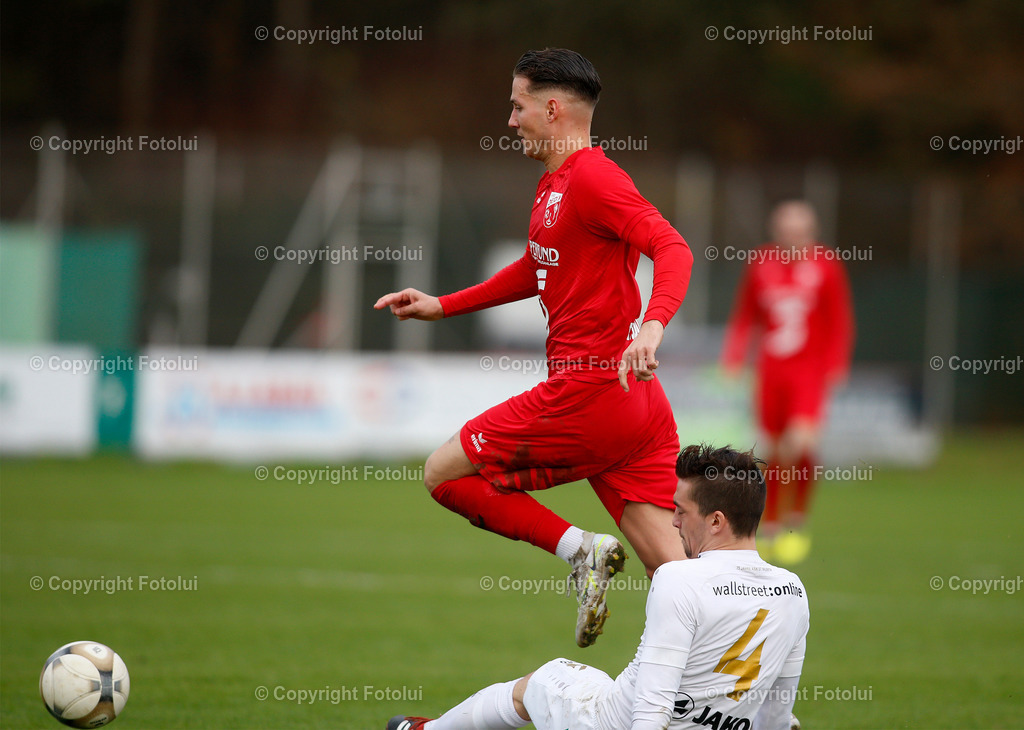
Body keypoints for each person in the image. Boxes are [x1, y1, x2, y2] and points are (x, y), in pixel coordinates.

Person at [375, 48, 693, 647]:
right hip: (635, 405)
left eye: (517, 106)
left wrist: (652, 327)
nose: (510, 120)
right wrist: (444, 304)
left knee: (442, 474)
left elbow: (672, 248)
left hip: (589, 391)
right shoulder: (557, 183)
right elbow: (537, 269)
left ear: (552, 109)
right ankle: (753, 696)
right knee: (677, 575)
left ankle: (582, 553)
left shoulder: (596, 179)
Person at [386, 444, 810, 730]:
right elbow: (778, 712)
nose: (674, 522)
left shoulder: (678, 578)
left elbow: (652, 708)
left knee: (545, 680)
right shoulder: (793, 590)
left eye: (680, 512)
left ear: (716, 521)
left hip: (608, 721)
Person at [721, 201, 855, 565]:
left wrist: (838, 362)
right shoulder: (761, 263)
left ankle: (798, 518)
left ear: (812, 232)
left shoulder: (826, 265)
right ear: (775, 232)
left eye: (800, 231)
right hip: (771, 371)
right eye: (785, 231)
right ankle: (774, 525)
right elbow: (746, 313)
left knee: (801, 442)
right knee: (773, 449)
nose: (792, 238)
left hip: (808, 372)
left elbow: (839, 317)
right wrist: (735, 355)